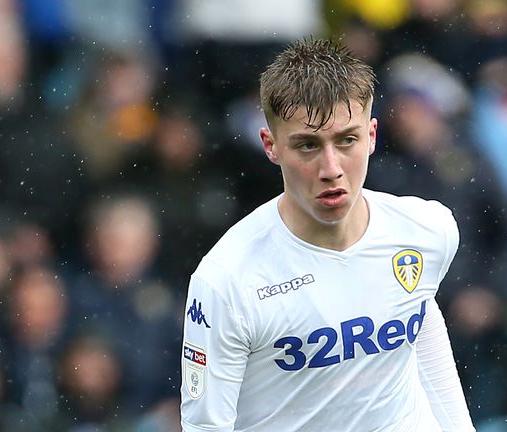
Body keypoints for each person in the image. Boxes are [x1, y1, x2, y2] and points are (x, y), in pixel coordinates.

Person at [180, 38, 476, 431]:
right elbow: (206, 427)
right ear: (271, 146)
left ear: (372, 136)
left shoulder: (427, 229)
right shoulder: (227, 281)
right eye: (307, 145)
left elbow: (420, 321)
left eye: (347, 140)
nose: (331, 168)